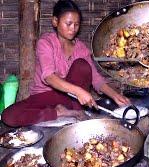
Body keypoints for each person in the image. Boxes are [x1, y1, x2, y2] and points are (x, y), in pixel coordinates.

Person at [2, 0, 130, 127]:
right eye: (68, 24)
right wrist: (78, 91)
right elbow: (49, 77)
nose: (73, 29)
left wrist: (115, 96)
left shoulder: (81, 48)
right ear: (55, 22)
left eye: (76, 24)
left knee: (82, 66)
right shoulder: (46, 43)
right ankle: (61, 113)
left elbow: (96, 79)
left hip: (71, 99)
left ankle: (76, 111)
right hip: (45, 95)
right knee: (9, 116)